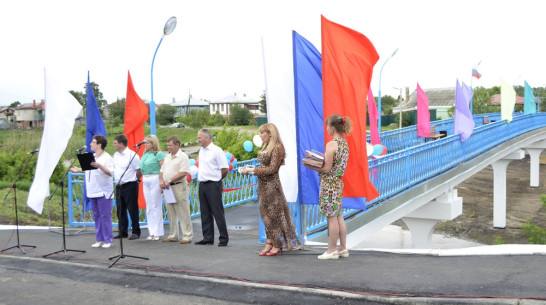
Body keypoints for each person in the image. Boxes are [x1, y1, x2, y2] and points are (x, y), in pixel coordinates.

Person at [241, 123, 300, 256]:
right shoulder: (266, 146)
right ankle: (270, 242)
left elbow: (272, 169)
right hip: (262, 186)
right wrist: (252, 170)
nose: (260, 135)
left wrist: (252, 170)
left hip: (272, 187)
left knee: (273, 216)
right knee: (265, 216)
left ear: (270, 134)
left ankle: (277, 244)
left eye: (263, 133)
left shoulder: (277, 147)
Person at [303, 114, 352, 260]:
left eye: (327, 126)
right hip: (338, 182)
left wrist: (311, 164)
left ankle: (331, 251)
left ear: (332, 127)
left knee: (331, 217)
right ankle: (343, 248)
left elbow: (326, 168)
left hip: (329, 184)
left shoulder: (331, 144)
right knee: (339, 216)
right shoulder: (344, 143)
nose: (326, 129)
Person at [70, 135, 114, 248]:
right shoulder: (92, 156)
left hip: (103, 190)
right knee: (96, 215)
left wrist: (99, 165)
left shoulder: (107, 157)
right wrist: (79, 169)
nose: (91, 144)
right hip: (92, 190)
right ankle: (99, 238)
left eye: (93, 142)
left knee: (105, 215)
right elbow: (89, 169)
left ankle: (108, 239)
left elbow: (110, 172)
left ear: (99, 144)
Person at [195, 129, 229, 246]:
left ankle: (223, 238)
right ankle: (207, 238)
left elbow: (225, 169)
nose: (198, 140)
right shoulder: (201, 150)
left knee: (217, 212)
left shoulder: (217, 150)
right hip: (203, 184)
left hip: (213, 184)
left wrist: (217, 179)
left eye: (200, 138)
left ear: (207, 138)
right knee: (205, 212)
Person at [159, 136, 193, 244]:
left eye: (170, 145)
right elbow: (161, 171)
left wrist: (169, 180)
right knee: (171, 212)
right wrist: (161, 181)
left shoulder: (183, 157)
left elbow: (183, 172)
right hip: (168, 187)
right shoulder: (167, 157)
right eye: (167, 145)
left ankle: (187, 235)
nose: (168, 147)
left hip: (178, 185)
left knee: (183, 211)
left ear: (177, 145)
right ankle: (173, 235)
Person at [112, 134, 142, 240]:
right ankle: (123, 231)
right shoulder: (115, 155)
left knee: (132, 209)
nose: (113, 145)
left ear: (121, 144)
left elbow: (138, 170)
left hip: (130, 184)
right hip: (119, 185)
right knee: (120, 209)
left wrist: (135, 180)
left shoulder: (132, 155)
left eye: (115, 143)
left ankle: (135, 231)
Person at [139, 135, 165, 241]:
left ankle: (158, 231)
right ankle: (151, 231)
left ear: (153, 143)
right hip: (146, 178)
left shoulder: (158, 154)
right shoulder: (145, 155)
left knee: (155, 205)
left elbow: (163, 168)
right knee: (149, 206)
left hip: (155, 178)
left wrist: (161, 181)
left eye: (148, 142)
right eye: (145, 142)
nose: (146, 144)